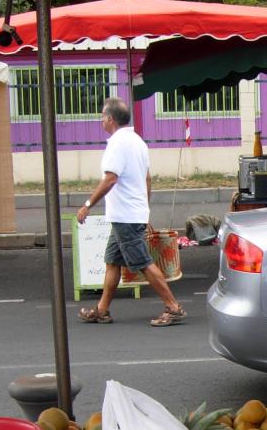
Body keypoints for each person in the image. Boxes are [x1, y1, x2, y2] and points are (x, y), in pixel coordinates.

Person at [75, 98, 186, 327]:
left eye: (102, 116)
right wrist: (144, 206)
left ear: (110, 119)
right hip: (128, 213)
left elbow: (110, 178)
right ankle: (102, 310)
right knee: (112, 261)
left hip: (125, 215)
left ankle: (173, 307)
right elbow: (147, 177)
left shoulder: (117, 144)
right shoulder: (137, 141)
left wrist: (88, 204)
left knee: (142, 262)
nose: (101, 120)